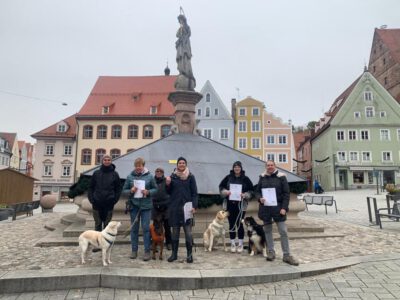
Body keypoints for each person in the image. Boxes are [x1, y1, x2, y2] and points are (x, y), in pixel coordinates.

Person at [255, 160, 299, 266]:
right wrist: (260, 198)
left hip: (278, 208)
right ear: (266, 167)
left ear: (275, 166)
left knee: (283, 231)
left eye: (271, 165)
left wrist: (284, 208)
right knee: (267, 231)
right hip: (266, 209)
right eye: (268, 165)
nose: (270, 167)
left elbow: (286, 194)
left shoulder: (281, 177)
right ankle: (271, 252)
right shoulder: (262, 177)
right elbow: (257, 191)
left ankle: (287, 255)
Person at [123, 157, 157, 261]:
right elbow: (124, 191)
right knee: (134, 229)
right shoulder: (130, 177)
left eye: (140, 165)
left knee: (146, 229)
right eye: (136, 165)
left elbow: (155, 189)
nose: (138, 167)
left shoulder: (150, 176)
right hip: (134, 206)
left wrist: (148, 192)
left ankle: (147, 251)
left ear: (143, 166)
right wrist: (131, 191)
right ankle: (134, 250)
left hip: (146, 207)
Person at [165, 157, 198, 263]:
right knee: (175, 232)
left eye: (183, 163)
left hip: (187, 209)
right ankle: (174, 254)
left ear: (186, 164)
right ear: (177, 165)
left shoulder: (191, 177)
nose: (181, 164)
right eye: (180, 163)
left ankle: (189, 255)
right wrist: (168, 184)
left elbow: (194, 193)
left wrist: (194, 206)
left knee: (188, 232)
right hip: (175, 208)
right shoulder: (172, 176)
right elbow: (168, 192)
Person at [219, 161, 254, 253]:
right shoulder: (228, 177)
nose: (236, 168)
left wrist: (245, 194)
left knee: (240, 224)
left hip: (241, 205)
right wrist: (225, 192)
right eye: (235, 167)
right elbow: (221, 187)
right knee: (231, 223)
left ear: (241, 168)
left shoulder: (245, 179)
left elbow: (252, 191)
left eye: (238, 167)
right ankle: (233, 243)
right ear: (233, 168)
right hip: (230, 204)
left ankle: (240, 244)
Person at [88, 155, 121, 233]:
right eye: (105, 160)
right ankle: (97, 242)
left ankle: (105, 243)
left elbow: (118, 188)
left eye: (108, 160)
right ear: (102, 161)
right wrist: (92, 199)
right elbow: (91, 187)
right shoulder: (96, 173)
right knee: (98, 224)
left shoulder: (115, 174)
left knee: (107, 225)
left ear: (111, 161)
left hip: (109, 203)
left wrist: (114, 200)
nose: (107, 161)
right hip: (96, 203)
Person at [152, 167, 172, 250]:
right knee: (156, 226)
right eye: (157, 171)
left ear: (163, 173)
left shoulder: (167, 181)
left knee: (167, 226)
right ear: (155, 172)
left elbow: (170, 190)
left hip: (166, 206)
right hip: (155, 206)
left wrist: (169, 184)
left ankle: (169, 243)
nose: (159, 172)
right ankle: (155, 244)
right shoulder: (152, 180)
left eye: (161, 171)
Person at [175, 13, 196, 90]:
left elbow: (189, 33)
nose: (180, 22)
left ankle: (186, 72)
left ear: (183, 20)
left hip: (185, 45)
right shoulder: (180, 28)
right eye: (179, 21)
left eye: (181, 20)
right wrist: (180, 29)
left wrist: (184, 28)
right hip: (181, 45)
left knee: (185, 57)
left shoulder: (187, 27)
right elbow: (177, 35)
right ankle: (182, 71)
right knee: (181, 58)